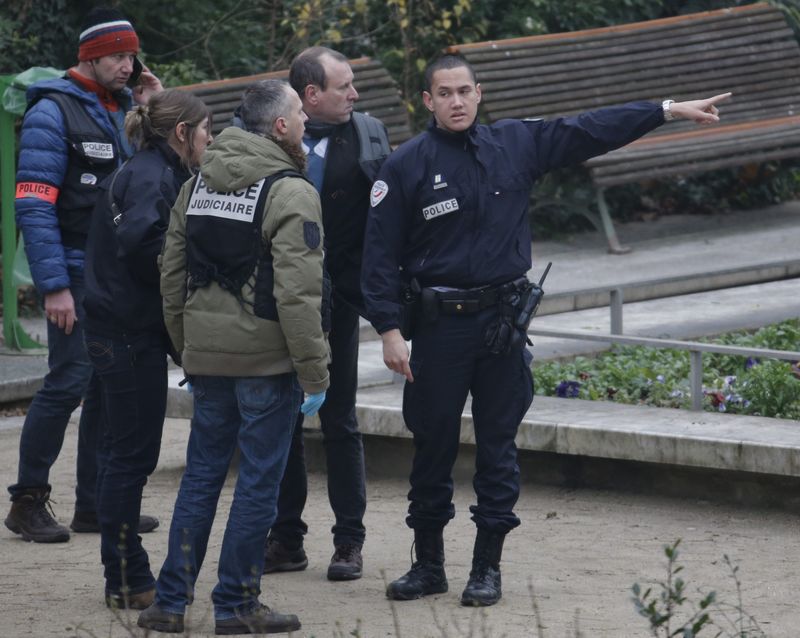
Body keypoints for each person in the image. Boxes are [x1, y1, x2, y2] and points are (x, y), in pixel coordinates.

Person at [361, 53, 731, 607]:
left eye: (465, 91)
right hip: (439, 330)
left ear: (479, 93)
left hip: (501, 328)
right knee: (431, 446)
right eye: (445, 93)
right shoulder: (406, 165)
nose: (457, 101)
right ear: (428, 101)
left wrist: (665, 110)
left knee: (498, 447)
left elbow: (587, 129)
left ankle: (486, 568)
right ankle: (429, 566)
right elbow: (378, 257)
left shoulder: (515, 143)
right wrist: (389, 330)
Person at [137, 79, 329, 635]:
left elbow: (170, 276)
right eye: (300, 113)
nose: (306, 123)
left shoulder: (195, 183)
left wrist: (187, 349)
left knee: (200, 479)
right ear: (281, 126)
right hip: (267, 367)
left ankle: (170, 603)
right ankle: (237, 604)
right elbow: (299, 295)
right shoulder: (292, 192)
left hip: (208, 361)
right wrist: (315, 371)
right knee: (257, 486)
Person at [6, 7, 162, 544]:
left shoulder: (122, 107)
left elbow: (151, 174)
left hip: (112, 277)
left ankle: (96, 505)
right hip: (73, 274)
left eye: (131, 55)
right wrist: (54, 286)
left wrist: (152, 107)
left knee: (103, 385)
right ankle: (27, 501)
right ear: (90, 57)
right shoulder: (53, 113)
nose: (128, 64)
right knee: (67, 383)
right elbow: (33, 206)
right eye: (118, 56)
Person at [263, 46, 390, 582]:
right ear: (310, 96)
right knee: (283, 420)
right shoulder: (272, 135)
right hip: (279, 302)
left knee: (338, 419)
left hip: (337, 300)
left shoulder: (367, 133)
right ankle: (287, 539)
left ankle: (349, 542)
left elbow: (390, 217)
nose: (355, 95)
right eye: (344, 86)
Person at [82, 89, 212, 610]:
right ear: (182, 133)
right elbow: (146, 249)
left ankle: (123, 573)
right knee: (131, 458)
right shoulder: (153, 177)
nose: (211, 138)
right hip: (126, 334)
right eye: (205, 129)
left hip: (120, 329)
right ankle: (127, 576)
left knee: (124, 454)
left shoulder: (146, 170)